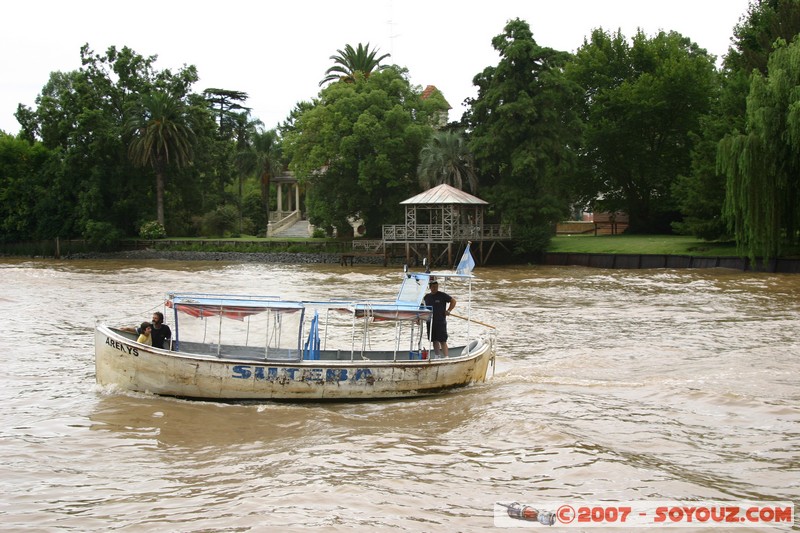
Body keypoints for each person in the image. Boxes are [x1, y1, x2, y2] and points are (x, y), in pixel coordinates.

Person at [422, 279, 456, 357]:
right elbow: (422, 308)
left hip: (440, 321)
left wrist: (449, 310)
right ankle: (437, 356)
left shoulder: (442, 295)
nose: (435, 288)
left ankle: (446, 357)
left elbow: (453, 301)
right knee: (434, 340)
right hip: (430, 321)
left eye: (436, 287)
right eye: (433, 287)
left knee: (442, 340)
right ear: (430, 287)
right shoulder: (426, 297)